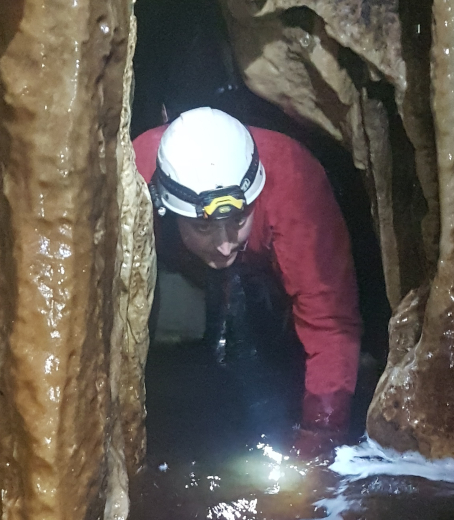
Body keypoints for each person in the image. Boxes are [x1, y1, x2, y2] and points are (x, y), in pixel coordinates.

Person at [133, 107, 361, 458]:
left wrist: (321, 437)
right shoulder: (134, 179)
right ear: (165, 206)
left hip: (270, 253)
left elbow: (330, 325)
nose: (224, 244)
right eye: (203, 227)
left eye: (238, 219)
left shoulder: (294, 185)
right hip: (182, 262)